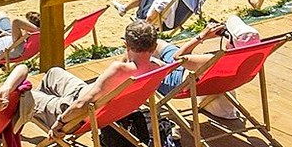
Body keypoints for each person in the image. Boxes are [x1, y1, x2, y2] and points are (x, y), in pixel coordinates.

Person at [30, 19, 236, 129]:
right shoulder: (157, 68)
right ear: (154, 45)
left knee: (25, 94)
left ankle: (35, 115)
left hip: (77, 112)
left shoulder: (119, 70)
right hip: (108, 107)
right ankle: (35, 113)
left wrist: (61, 123)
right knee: (53, 73)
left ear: (126, 45)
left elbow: (81, 105)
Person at [120, 0, 211, 32]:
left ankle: (124, 9)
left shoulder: (163, 0)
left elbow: (150, 19)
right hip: (174, 22)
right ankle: (123, 8)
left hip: (160, 24)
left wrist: (143, 27)